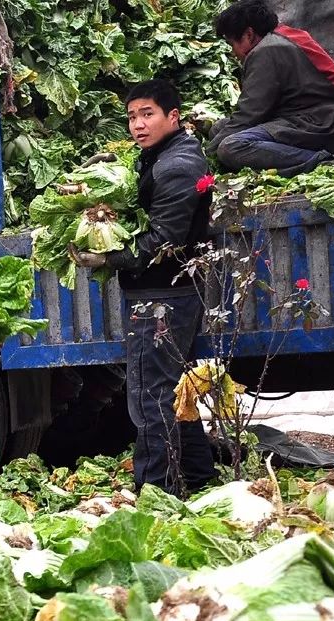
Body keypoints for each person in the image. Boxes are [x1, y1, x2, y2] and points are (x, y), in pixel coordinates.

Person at [71, 79, 216, 496]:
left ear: (173, 116)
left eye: (147, 114)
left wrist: (106, 259)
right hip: (170, 293)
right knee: (173, 393)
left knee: (149, 398)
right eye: (132, 116)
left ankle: (156, 493)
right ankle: (200, 480)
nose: (138, 124)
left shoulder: (176, 166)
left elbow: (163, 241)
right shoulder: (161, 156)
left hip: (163, 298)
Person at [207, 0, 334, 177]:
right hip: (306, 120)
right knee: (218, 128)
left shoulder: (266, 51)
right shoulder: (279, 37)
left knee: (230, 147)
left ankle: (326, 162)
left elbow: (248, 115)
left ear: (249, 34)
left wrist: (207, 158)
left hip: (323, 127)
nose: (233, 53)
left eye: (232, 45)